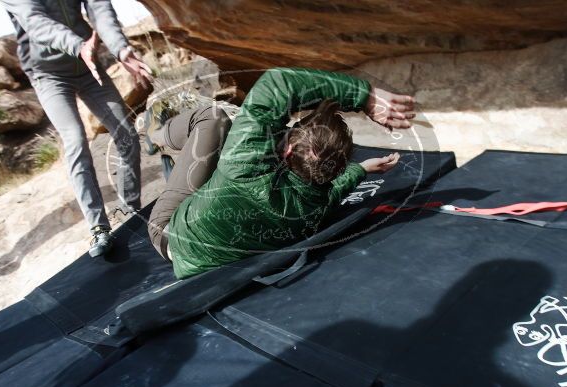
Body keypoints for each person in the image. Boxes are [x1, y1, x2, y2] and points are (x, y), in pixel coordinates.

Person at [146, 67, 415, 278]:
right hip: (217, 247)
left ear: (288, 150)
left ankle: (155, 135)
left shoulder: (244, 163)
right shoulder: (314, 206)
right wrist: (361, 169)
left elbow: (278, 83)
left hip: (171, 235)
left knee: (214, 119)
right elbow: (334, 191)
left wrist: (364, 95)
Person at [1, 0, 153, 257]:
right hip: (48, 75)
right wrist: (77, 45)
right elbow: (36, 23)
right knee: (75, 140)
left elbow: (100, 10)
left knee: (126, 133)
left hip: (87, 64)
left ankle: (131, 212)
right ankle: (99, 228)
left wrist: (122, 50)